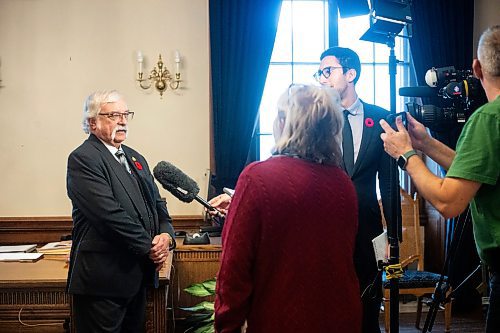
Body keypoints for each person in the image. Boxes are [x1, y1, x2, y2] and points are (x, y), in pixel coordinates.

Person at [379, 25, 500, 332]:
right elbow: (475, 171)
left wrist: (406, 154)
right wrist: (427, 144)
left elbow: (448, 202)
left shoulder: (487, 119)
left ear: (476, 67)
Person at [215, 85, 361, 332]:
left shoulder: (257, 177)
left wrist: (227, 327)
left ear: (284, 123)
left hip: (282, 319)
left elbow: (233, 273)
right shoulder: (343, 182)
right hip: (342, 318)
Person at [66, 90, 176, 332]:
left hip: (136, 278)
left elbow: (158, 206)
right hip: (102, 283)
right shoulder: (83, 159)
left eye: (126, 114)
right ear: (92, 123)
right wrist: (150, 248)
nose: (123, 120)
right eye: (114, 115)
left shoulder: (136, 157)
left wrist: (167, 237)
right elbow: (109, 217)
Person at [315, 46, 399, 332]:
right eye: (320, 73)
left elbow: (388, 184)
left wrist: (394, 237)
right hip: (325, 230)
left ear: (350, 74)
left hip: (368, 231)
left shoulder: (380, 119)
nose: (323, 78)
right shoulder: (317, 123)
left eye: (328, 71)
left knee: (368, 310)